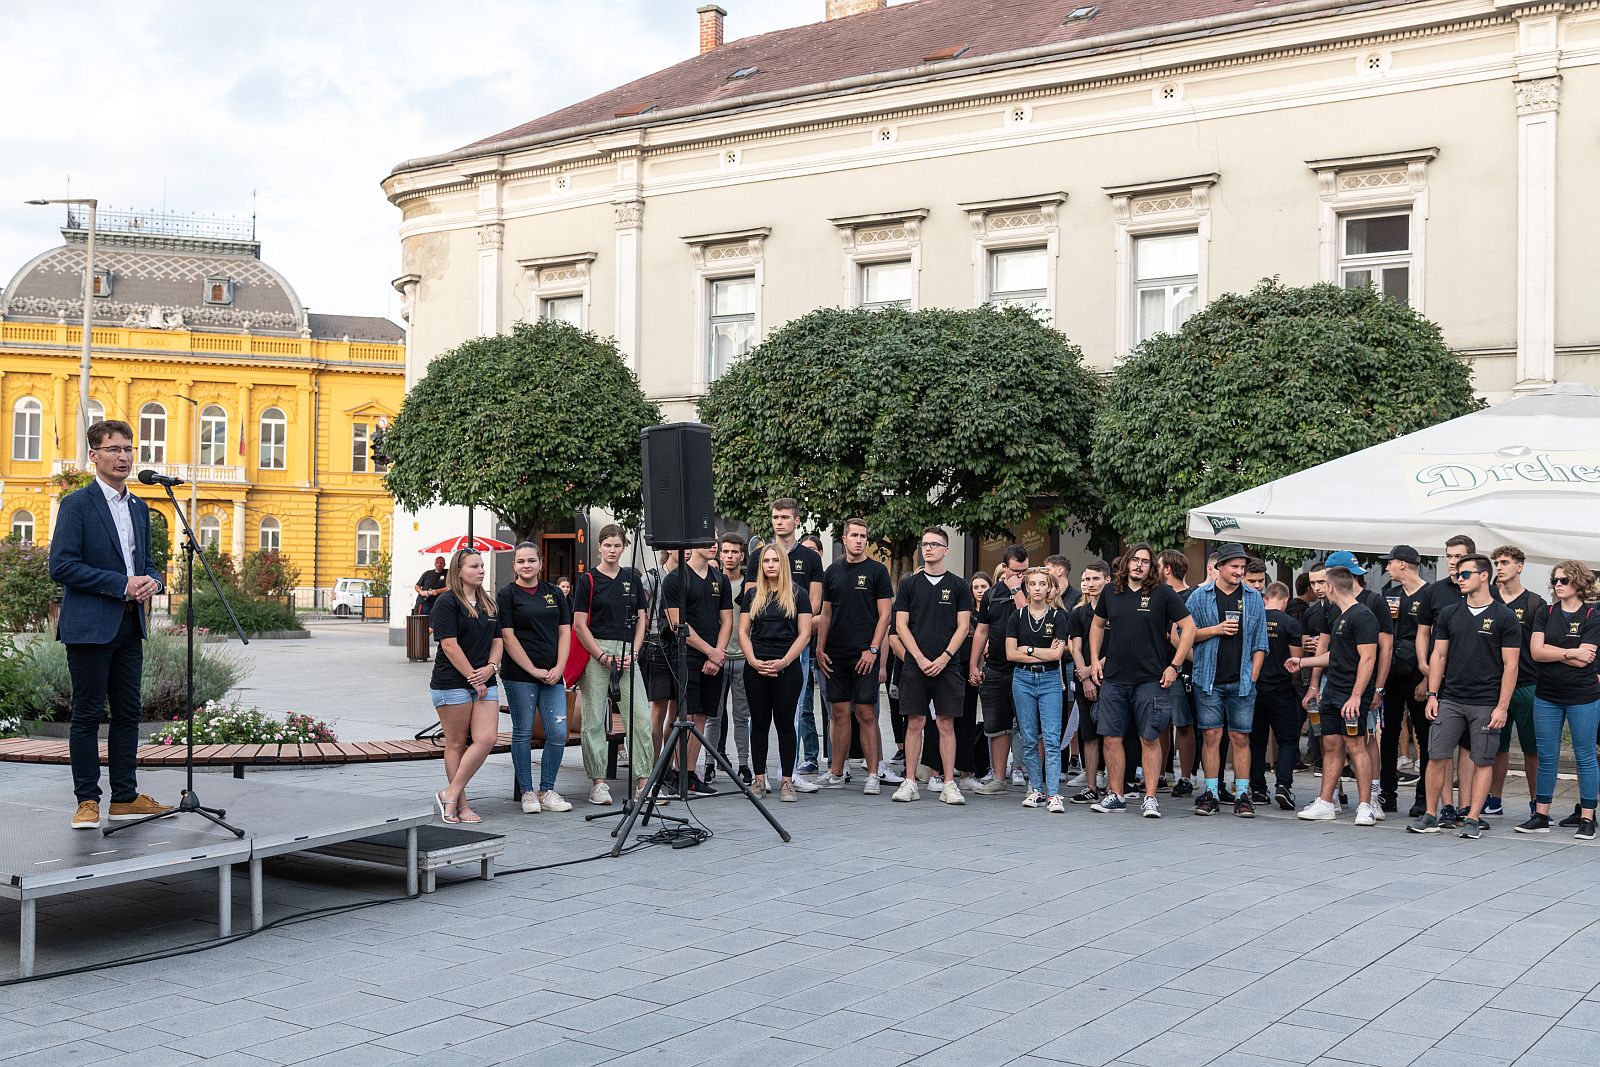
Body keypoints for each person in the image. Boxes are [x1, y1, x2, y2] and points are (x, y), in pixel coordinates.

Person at [50, 419, 174, 829]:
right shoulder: (76, 505)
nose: (123, 457)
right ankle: (87, 800)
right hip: (89, 626)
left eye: (128, 449)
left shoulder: (140, 508)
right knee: (87, 715)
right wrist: (122, 584)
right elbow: (62, 566)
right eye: (114, 449)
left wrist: (153, 582)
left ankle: (124, 797)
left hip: (129, 625)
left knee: (127, 714)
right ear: (94, 455)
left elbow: (149, 565)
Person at [1407, 554, 1519, 838]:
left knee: (1482, 760)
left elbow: (1511, 665)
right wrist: (1433, 695)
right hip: (1451, 698)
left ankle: (1472, 818)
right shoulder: (1449, 613)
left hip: (1486, 701)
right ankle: (1430, 815)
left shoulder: (1504, 616)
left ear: (1484, 576)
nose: (1459, 578)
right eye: (1458, 574)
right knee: (1437, 756)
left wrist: (1502, 706)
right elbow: (1439, 655)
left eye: (1465, 574)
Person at [1087, 544, 1195, 818]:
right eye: (1134, 560)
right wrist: (1095, 660)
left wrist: (1175, 665)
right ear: (1126, 563)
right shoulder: (1110, 592)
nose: (1139, 565)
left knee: (1149, 738)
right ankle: (1116, 795)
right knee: (1111, 738)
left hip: (1150, 679)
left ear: (1152, 567)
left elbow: (1189, 627)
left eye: (1145, 561)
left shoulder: (1163, 593)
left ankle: (1150, 798)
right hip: (1114, 679)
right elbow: (1097, 625)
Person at [1289, 566, 1379, 825]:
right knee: (1330, 744)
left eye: (1322, 584)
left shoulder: (1363, 615)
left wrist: (1356, 695)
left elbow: (1368, 658)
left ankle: (1366, 806)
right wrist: (1302, 662)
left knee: (1355, 745)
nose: (1319, 589)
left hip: (1352, 693)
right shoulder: (1339, 615)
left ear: (1330, 587)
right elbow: (1335, 655)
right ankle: (1326, 802)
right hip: (1332, 690)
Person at [571, 524, 653, 806]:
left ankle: (643, 782)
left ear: (624, 547)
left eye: (617, 546)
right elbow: (579, 625)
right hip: (597, 649)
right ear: (599, 547)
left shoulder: (632, 579)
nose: (612, 550)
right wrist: (601, 655)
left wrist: (636, 651)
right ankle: (598, 783)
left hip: (628, 650)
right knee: (594, 719)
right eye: (608, 545)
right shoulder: (587, 580)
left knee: (640, 717)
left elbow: (642, 619)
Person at [891, 527, 974, 805]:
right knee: (914, 722)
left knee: (946, 723)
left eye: (934, 544)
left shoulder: (959, 585)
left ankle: (949, 783)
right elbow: (901, 625)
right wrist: (919, 657)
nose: (928, 548)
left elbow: (963, 627)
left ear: (945, 550)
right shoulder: (909, 584)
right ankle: (910, 782)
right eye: (925, 544)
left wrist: (945, 657)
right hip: (915, 665)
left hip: (948, 665)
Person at [1186, 543, 1269, 817]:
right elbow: (1184, 634)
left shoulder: (1253, 597)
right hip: (1208, 679)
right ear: (1219, 567)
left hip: (1242, 681)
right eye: (1234, 566)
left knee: (1240, 737)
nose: (1239, 571)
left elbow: (1261, 642)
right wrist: (1216, 630)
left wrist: (1253, 675)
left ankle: (1243, 795)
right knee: (1211, 736)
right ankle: (1211, 792)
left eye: (1242, 567)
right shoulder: (1199, 597)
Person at [1518, 561, 1600, 838]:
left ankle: (1587, 818)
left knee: (1585, 756)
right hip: (1547, 694)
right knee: (1546, 755)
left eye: (1564, 580)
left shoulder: (1592, 615)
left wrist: (1555, 652)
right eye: (1555, 580)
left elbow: (1585, 660)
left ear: (1579, 582)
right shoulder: (1545, 611)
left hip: (1583, 696)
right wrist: (1570, 652)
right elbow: (1536, 652)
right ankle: (1541, 815)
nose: (1558, 585)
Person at [816, 517, 894, 793]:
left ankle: (873, 774)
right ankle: (837, 772)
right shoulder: (832, 571)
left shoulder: (877, 571)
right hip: (835, 654)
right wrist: (819, 648)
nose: (859, 540)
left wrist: (873, 649)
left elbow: (885, 615)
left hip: (865, 654)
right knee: (838, 713)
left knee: (866, 713)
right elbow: (826, 613)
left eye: (863, 536)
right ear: (844, 538)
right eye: (855, 535)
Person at [746, 500, 825, 774]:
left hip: (796, 644)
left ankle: (787, 774)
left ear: (796, 520)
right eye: (775, 517)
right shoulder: (759, 555)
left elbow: (815, 604)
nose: (779, 522)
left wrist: (793, 625)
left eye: (785, 517)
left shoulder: (810, 558)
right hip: (761, 646)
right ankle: (760, 774)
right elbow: (752, 599)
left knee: (794, 712)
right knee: (758, 717)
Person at [497, 541, 574, 815]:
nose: (526, 565)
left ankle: (547, 790)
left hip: (553, 675)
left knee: (558, 732)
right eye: (521, 561)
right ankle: (527, 792)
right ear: (514, 565)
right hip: (520, 675)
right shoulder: (507, 595)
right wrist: (532, 670)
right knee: (523, 731)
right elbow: (508, 637)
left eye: (531, 560)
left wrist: (560, 667)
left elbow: (565, 631)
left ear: (541, 563)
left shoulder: (554, 593)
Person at [428, 549, 502, 824]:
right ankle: (460, 804)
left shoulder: (488, 603)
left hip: (485, 678)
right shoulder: (447, 602)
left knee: (487, 739)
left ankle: (450, 792)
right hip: (451, 682)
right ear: (458, 571)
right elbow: (449, 645)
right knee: (457, 743)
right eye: (474, 566)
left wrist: (491, 668)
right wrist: (474, 677)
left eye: (482, 565)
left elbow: (498, 641)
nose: (481, 570)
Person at [740, 544, 815, 801]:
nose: (770, 565)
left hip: (787, 667)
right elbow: (743, 631)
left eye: (775, 560)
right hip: (756, 667)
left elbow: (805, 634)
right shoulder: (752, 595)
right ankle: (759, 780)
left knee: (785, 724)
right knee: (759, 724)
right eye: (766, 561)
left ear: (783, 563)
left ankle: (787, 782)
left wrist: (784, 662)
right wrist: (752, 660)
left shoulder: (798, 594)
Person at [661, 543, 734, 795]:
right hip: (686, 656)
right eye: (707, 540)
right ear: (693, 544)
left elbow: (727, 620)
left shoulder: (720, 579)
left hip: (715, 657)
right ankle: (677, 774)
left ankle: (691, 775)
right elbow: (677, 625)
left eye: (716, 540)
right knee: (687, 716)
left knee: (702, 716)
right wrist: (709, 651)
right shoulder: (675, 579)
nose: (714, 545)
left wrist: (717, 654)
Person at [1007, 567, 1071, 812]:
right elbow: (1011, 653)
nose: (1037, 588)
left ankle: (1054, 794)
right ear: (1026, 587)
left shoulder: (1058, 617)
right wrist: (1040, 653)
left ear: (1049, 588)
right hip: (1022, 679)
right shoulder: (1017, 617)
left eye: (1042, 584)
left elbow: (1056, 655)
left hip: (1050, 679)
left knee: (1052, 738)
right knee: (1029, 737)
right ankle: (1037, 789)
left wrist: (1029, 650)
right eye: (1032, 584)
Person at [1487, 545, 1545, 816]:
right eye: (1497, 563)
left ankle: (1537, 803)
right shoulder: (1488, 600)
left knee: (1532, 748)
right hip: (1494, 686)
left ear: (1519, 567)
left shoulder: (1535, 603)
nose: (1499, 567)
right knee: (1497, 747)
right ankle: (1494, 800)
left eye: (1505, 562)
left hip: (1527, 684)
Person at [969, 545, 1031, 796]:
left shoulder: (1032, 588)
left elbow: (1029, 619)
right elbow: (982, 630)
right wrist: (974, 664)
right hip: (995, 668)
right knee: (997, 726)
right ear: (1004, 568)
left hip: (1025, 669)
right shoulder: (991, 594)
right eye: (1016, 571)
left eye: (1024, 570)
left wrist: (1017, 589)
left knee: (1030, 727)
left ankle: (1034, 781)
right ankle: (998, 778)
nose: (1021, 575)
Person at [1378, 545, 1429, 815]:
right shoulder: (1391, 594)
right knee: (1389, 733)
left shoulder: (1429, 594)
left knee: (1423, 735)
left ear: (1403, 564)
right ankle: (1387, 793)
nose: (1387, 567)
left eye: (1390, 562)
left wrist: (1427, 680)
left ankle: (1424, 797)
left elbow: (1435, 640)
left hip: (1418, 675)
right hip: (1392, 674)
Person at [1249, 582, 1304, 809]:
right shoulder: (1291, 623)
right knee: (1288, 740)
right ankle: (1283, 785)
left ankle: (1258, 789)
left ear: (1265, 598)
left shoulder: (1254, 620)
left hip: (1255, 688)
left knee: (1256, 741)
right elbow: (1296, 662)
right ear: (1286, 599)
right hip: (1281, 689)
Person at [703, 533, 752, 785]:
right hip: (718, 657)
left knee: (742, 717)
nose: (730, 556)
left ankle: (744, 765)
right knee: (713, 716)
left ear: (742, 556)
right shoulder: (714, 582)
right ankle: (709, 764)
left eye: (734, 552)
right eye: (726, 551)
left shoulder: (749, 585)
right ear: (720, 554)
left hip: (743, 658)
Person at [1158, 548, 1198, 797]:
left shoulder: (1191, 596)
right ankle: (1161, 774)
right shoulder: (1157, 594)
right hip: (1157, 665)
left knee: (1183, 723)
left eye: (1157, 565)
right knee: (1160, 723)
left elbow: (1185, 633)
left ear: (1167, 569)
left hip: (1180, 669)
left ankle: (1186, 776)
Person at [1068, 562, 1109, 805]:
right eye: (1087, 579)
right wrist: (1084, 675)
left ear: (1107, 580)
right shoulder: (1079, 612)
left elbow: (1118, 646)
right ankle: (1091, 786)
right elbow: (1075, 646)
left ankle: (1114, 787)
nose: (1091, 584)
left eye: (1096, 579)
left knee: (1111, 735)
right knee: (1089, 735)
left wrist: (1095, 668)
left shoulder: (1115, 610)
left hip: (1110, 678)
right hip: (1084, 678)